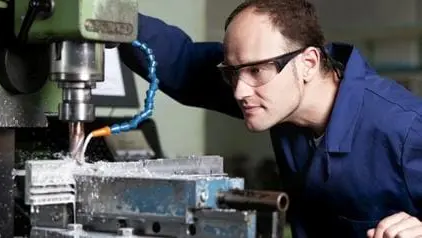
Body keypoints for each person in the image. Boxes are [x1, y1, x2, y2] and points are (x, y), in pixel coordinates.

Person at [118, 0, 422, 237]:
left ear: (309, 63)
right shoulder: (275, 91)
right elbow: (184, 64)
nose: (239, 91)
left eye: (255, 71)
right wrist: (115, 19)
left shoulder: (404, 129)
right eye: (232, 72)